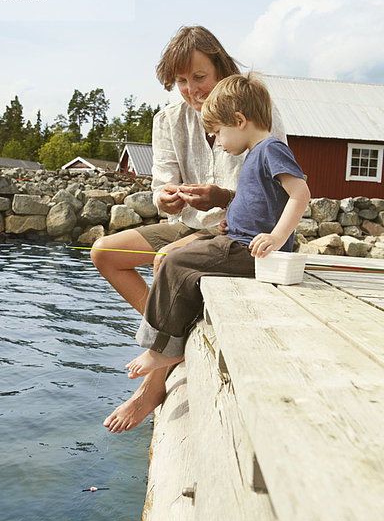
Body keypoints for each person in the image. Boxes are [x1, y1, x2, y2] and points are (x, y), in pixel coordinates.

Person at [92, 26, 286, 433]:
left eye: (199, 77)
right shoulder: (168, 120)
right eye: (181, 81)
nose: (191, 89)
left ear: (220, 67)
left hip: (233, 231)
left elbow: (274, 193)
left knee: (167, 260)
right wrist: (165, 198)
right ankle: (174, 337)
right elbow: (162, 182)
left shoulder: (255, 111)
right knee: (105, 253)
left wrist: (221, 197)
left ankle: (153, 384)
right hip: (185, 226)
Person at [125, 72, 310, 378]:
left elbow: (300, 193)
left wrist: (277, 237)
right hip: (237, 240)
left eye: (219, 133)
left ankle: (161, 350)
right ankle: (174, 339)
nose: (219, 143)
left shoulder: (270, 149)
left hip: (249, 250)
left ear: (239, 120)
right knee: (175, 254)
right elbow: (259, 200)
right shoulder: (256, 153)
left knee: (174, 263)